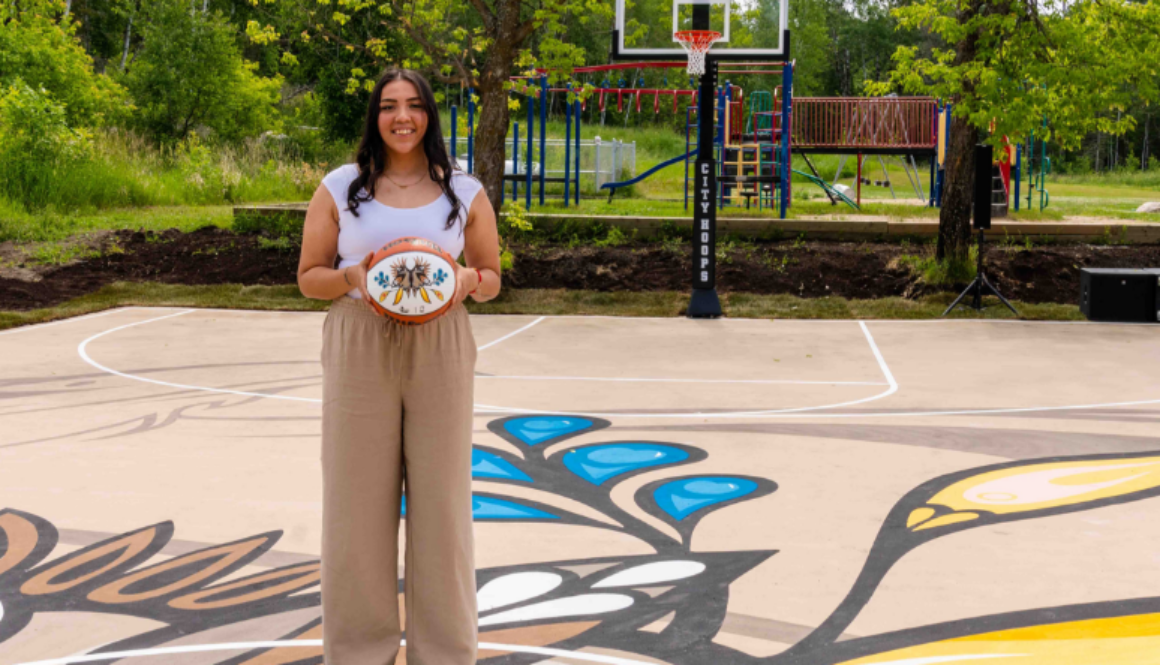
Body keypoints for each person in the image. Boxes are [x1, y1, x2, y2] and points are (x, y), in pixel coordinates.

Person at [296, 67, 500, 664]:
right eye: (389, 106)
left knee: (442, 503)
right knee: (355, 503)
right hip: (360, 336)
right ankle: (359, 652)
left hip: (440, 337)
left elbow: (492, 277)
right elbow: (308, 278)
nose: (402, 117)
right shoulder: (341, 188)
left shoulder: (464, 190)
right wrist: (353, 276)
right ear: (375, 116)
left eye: (413, 105)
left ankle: (445, 652)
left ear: (429, 115)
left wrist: (466, 279)